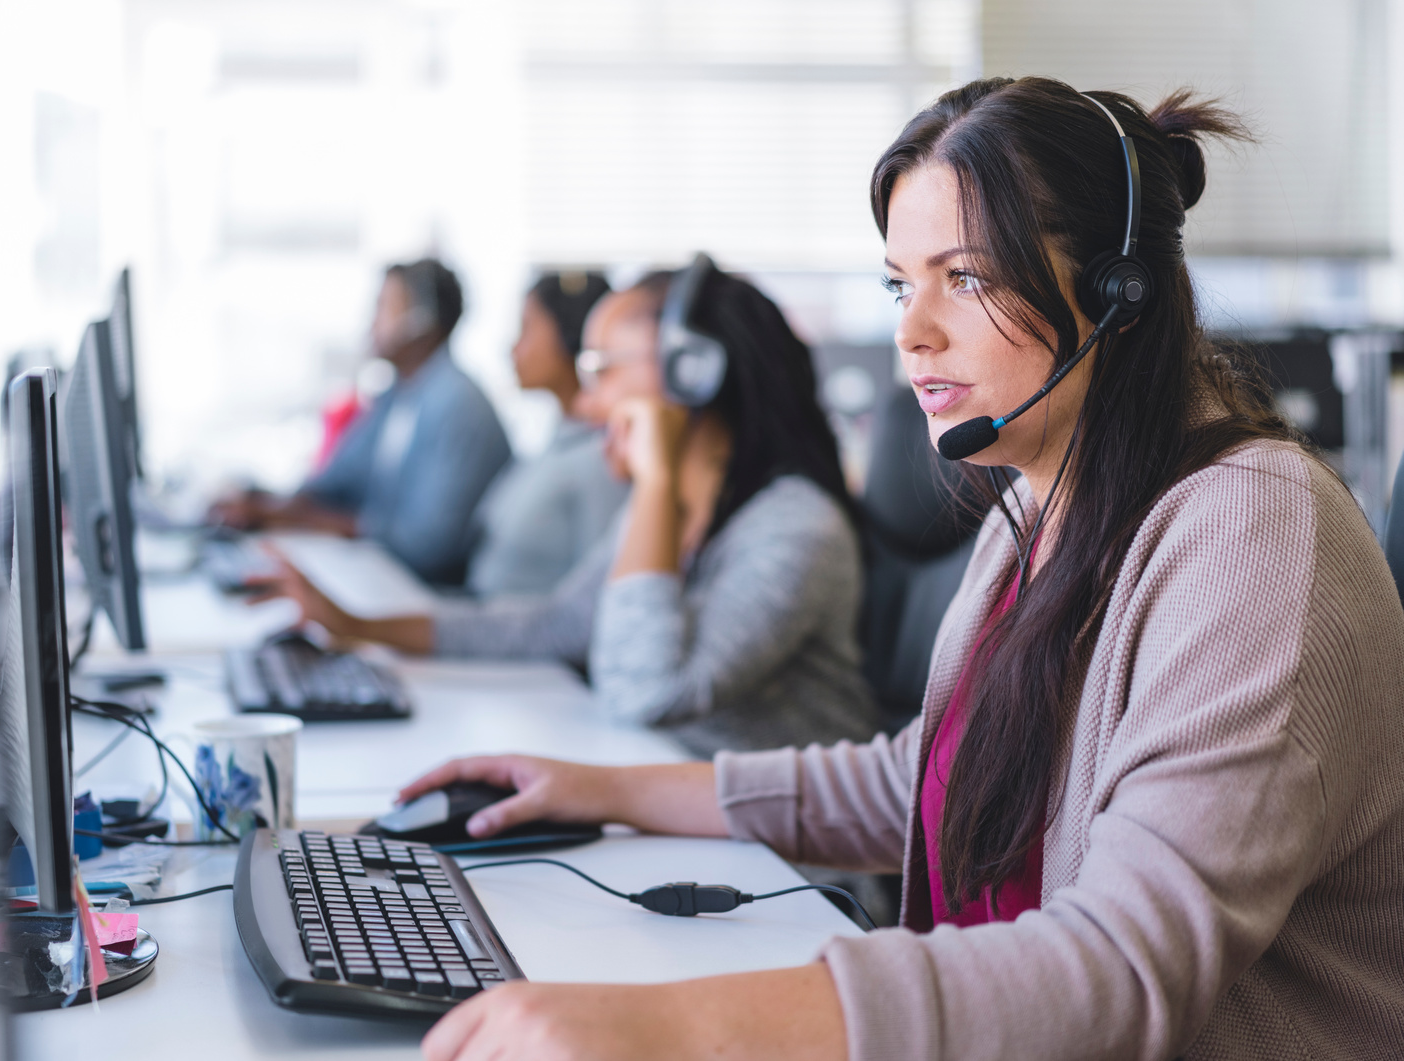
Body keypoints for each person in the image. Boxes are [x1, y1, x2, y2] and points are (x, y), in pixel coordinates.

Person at [395, 79, 1404, 1060]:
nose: (909, 330)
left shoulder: (1254, 534)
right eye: (899, 281)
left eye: (963, 276)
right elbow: (923, 778)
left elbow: (1124, 966)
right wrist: (603, 788)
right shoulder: (1035, 506)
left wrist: (664, 1025)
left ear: (1116, 293)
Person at [253, 267, 881, 756]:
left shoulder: (796, 527)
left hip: (791, 880)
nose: (585, 405)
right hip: (675, 811)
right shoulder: (681, 507)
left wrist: (656, 482)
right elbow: (553, 625)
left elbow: (648, 691)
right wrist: (358, 625)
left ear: (695, 375)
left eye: (602, 370)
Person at [210, 259, 511, 586]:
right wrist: (264, 504)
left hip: (427, 593)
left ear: (421, 321)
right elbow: (335, 483)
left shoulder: (459, 404)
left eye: (383, 308)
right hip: (380, 576)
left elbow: (428, 546)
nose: (371, 323)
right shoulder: (397, 395)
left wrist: (308, 521)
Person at [465, 271, 629, 597]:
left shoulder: (604, 457)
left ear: (572, 336)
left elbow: (592, 604)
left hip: (525, 639)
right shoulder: (558, 439)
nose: (513, 347)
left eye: (526, 329)